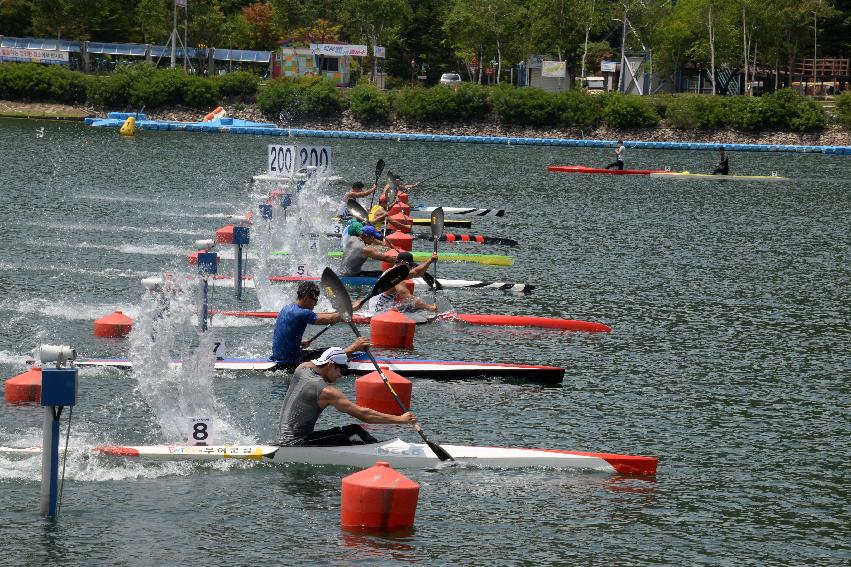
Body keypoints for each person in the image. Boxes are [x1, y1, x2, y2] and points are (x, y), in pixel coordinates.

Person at [277, 346, 416, 446]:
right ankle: (380, 457)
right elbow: (364, 415)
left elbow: (320, 359)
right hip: (296, 444)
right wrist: (400, 419)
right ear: (331, 366)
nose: (341, 375)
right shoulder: (327, 392)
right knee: (352, 435)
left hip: (287, 438)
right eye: (342, 370)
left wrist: (351, 349)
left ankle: (377, 448)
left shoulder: (302, 368)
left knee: (354, 430)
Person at [271, 281, 367, 369]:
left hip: (280, 355)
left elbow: (284, 333)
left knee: (327, 350)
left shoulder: (287, 308)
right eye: (315, 300)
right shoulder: (302, 313)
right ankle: (353, 348)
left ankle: (350, 351)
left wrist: (297, 342)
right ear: (306, 297)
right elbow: (331, 318)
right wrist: (351, 308)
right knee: (331, 352)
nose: (315, 305)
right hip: (290, 361)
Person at [364, 251, 438, 313]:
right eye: (410, 265)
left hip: (377, 306)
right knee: (417, 307)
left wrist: (430, 261)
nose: (411, 267)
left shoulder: (393, 271)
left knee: (413, 306)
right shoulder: (396, 278)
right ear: (402, 262)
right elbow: (409, 298)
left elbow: (417, 272)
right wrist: (429, 307)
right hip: (378, 311)